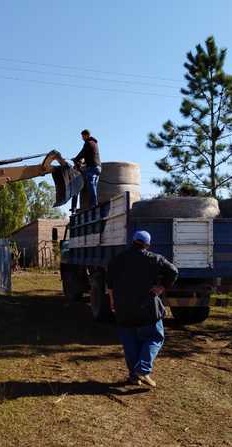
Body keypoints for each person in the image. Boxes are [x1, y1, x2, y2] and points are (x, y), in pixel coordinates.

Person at [107, 230, 178, 388]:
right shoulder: (155, 259)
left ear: (132, 241)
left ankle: (134, 376)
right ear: (147, 244)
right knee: (155, 337)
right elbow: (173, 271)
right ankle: (143, 369)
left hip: (124, 309)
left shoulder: (117, 259)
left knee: (130, 342)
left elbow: (110, 285)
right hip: (147, 308)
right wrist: (161, 287)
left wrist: (113, 302)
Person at [72, 129, 102, 207]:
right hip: (98, 167)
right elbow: (88, 156)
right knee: (94, 185)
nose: (82, 138)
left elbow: (82, 153)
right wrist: (81, 161)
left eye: (83, 136)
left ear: (87, 135)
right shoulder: (94, 143)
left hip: (92, 167)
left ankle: (94, 203)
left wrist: (75, 159)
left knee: (90, 184)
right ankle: (94, 202)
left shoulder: (88, 143)